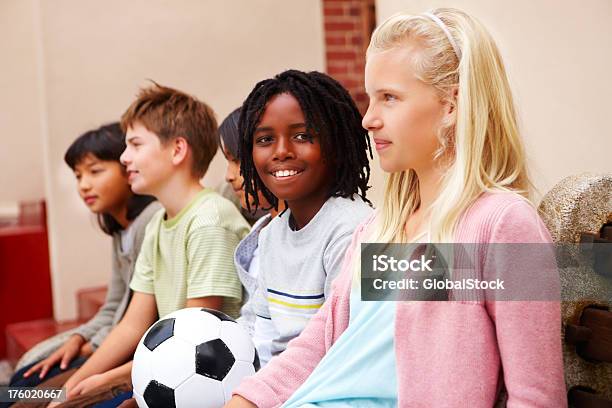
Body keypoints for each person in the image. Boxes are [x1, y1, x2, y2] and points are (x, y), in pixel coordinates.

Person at [227, 9, 566, 407]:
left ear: (451, 105)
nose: (369, 119)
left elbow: (536, 397)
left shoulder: (501, 225)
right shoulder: (380, 229)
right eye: (371, 98)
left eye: (389, 98)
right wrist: (247, 400)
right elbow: (320, 344)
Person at [54, 83, 250, 405]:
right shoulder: (158, 224)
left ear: (177, 150)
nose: (124, 157)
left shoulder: (209, 221)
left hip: (202, 385)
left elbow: (192, 343)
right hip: (165, 372)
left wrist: (108, 384)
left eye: (135, 145)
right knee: (26, 395)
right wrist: (72, 388)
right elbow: (132, 325)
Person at [3, 124, 159, 407]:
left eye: (95, 171)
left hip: (129, 356)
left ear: (128, 168)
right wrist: (79, 337)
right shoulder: (121, 229)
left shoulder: (150, 222)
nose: (84, 185)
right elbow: (113, 305)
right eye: (78, 176)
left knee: (25, 394)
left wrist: (89, 347)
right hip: (109, 346)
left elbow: (136, 320)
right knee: (21, 383)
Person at [235, 70, 373, 364]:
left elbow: (340, 351)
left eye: (302, 136)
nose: (281, 151)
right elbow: (256, 332)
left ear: (335, 145)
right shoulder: (272, 234)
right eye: (265, 139)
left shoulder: (352, 230)